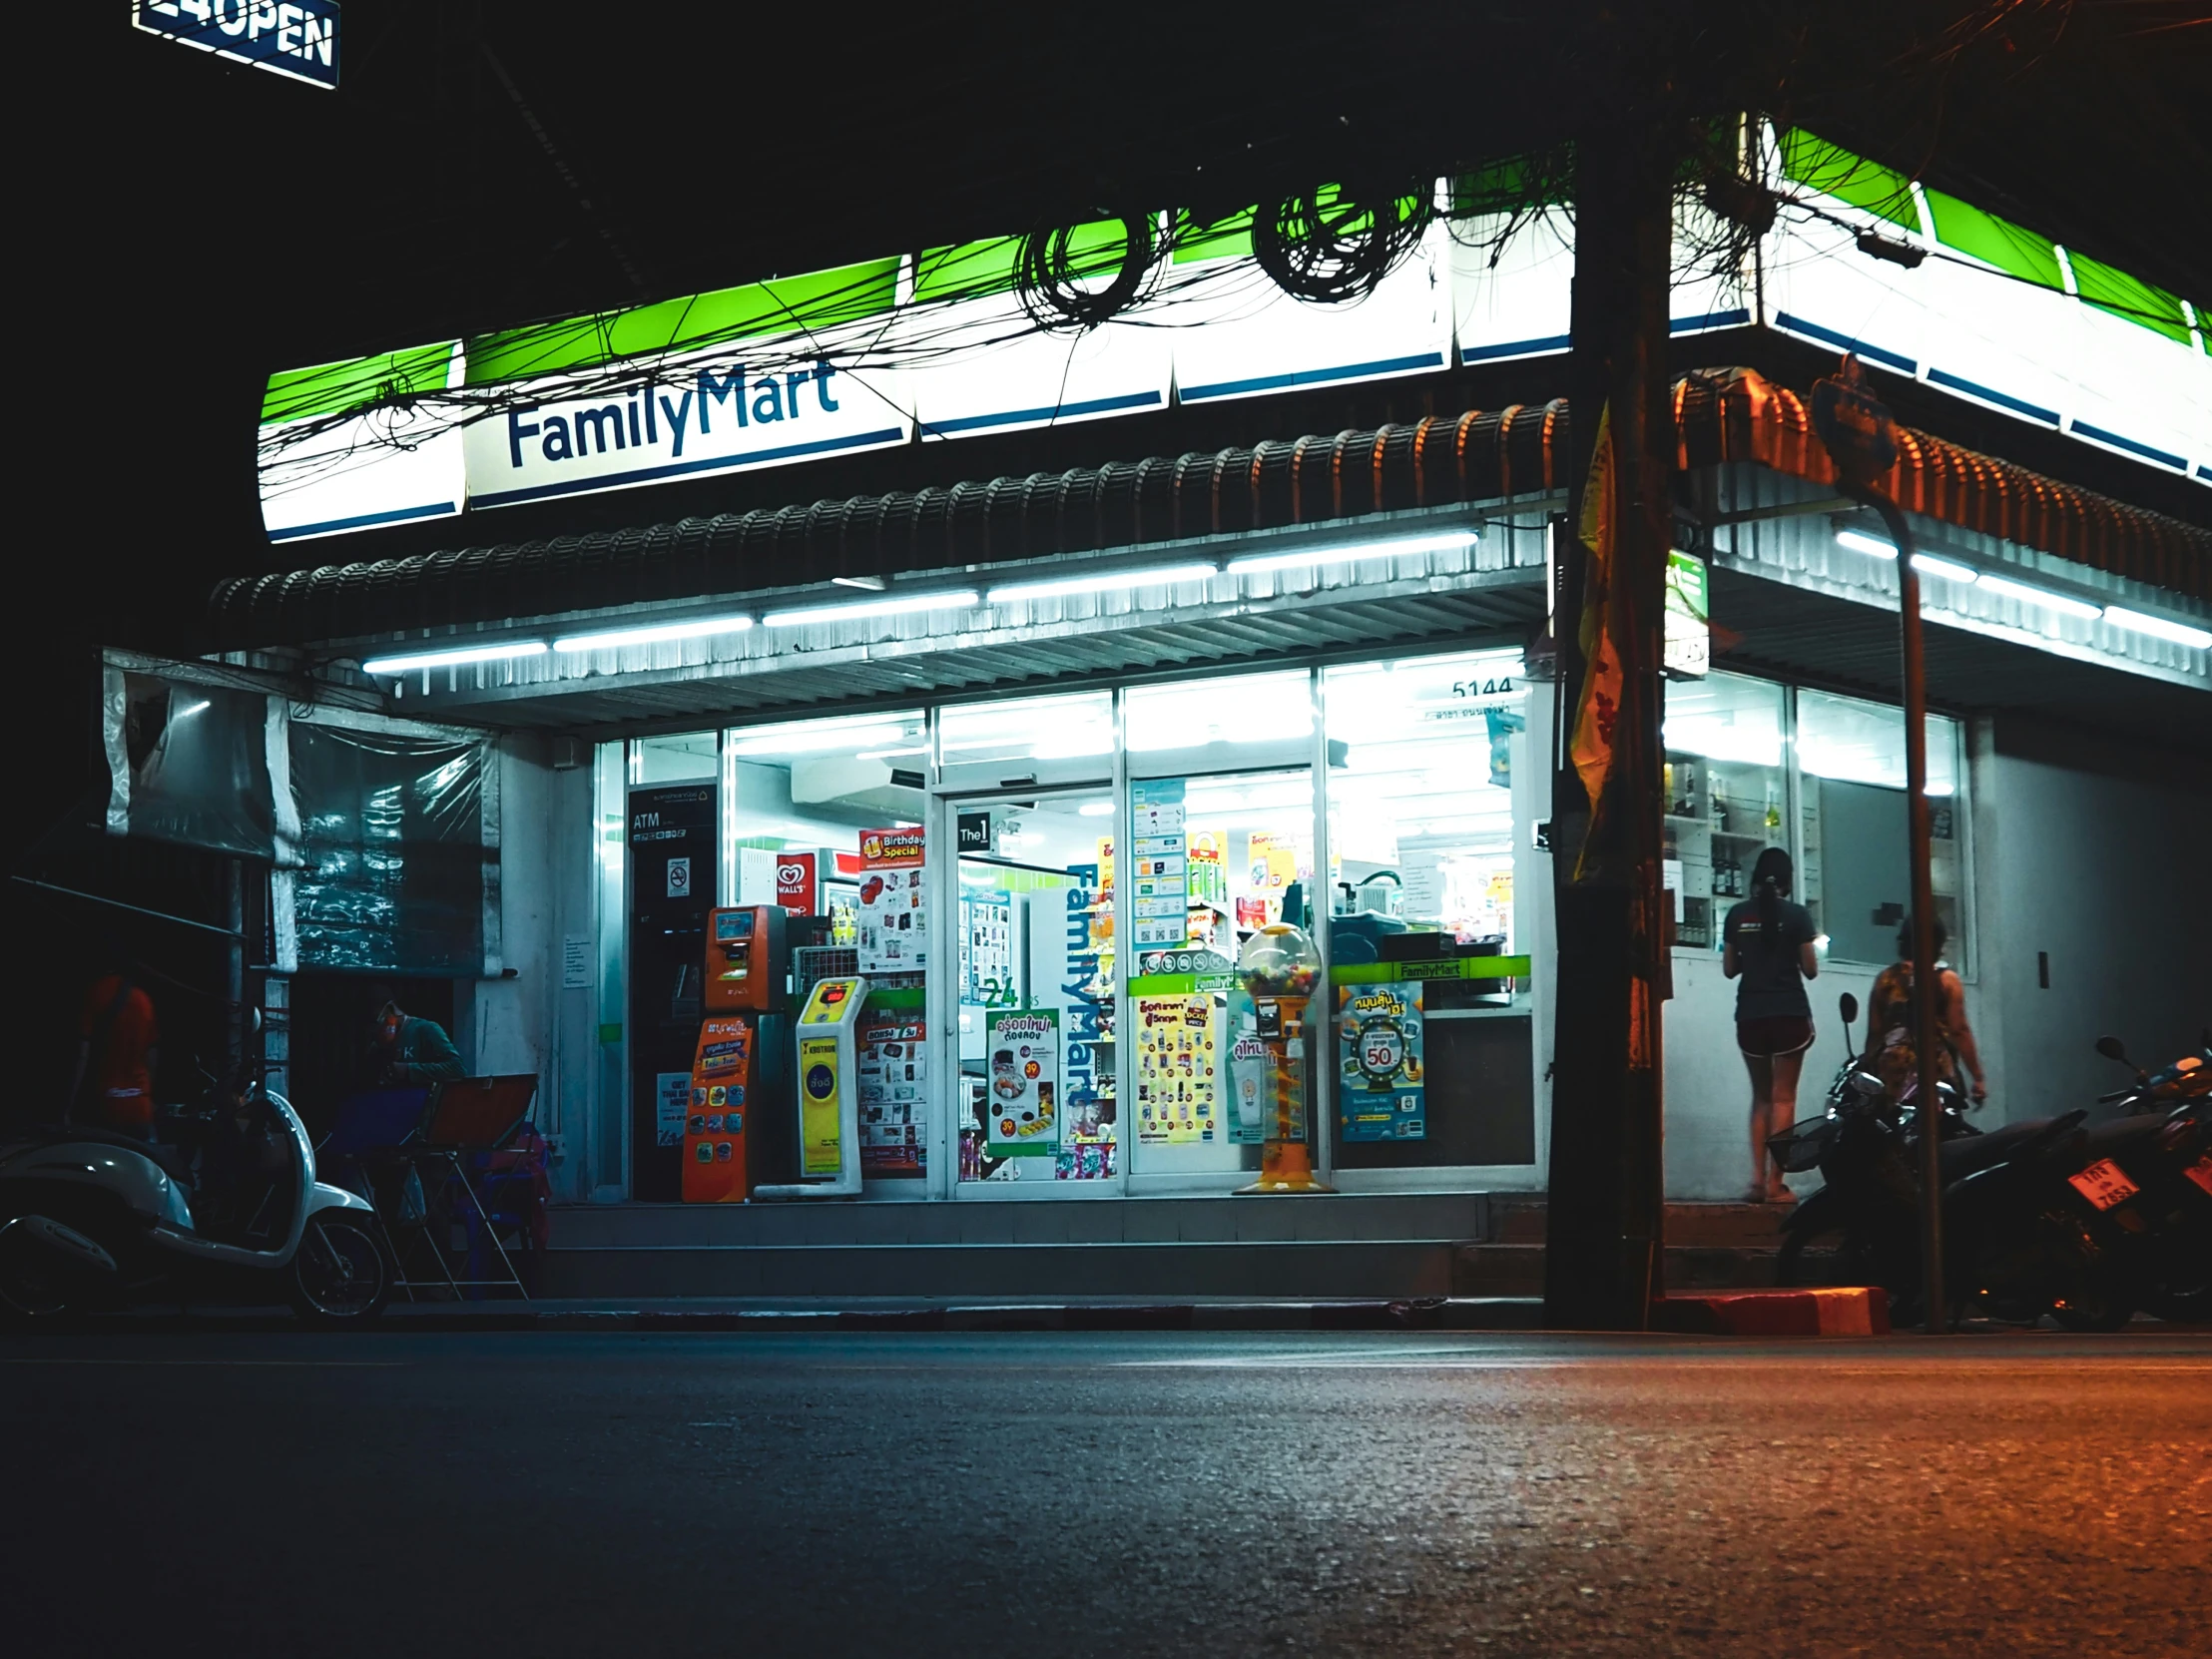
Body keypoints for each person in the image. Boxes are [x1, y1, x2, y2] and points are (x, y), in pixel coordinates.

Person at [1722, 847, 1819, 1204]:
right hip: (1789, 1014)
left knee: (1761, 1097)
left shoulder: (1736, 915)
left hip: (1750, 1014)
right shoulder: (1797, 916)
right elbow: (1810, 969)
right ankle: (1777, 1184)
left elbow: (1730, 968)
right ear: (1788, 880)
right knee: (1784, 1098)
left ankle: (1756, 1181)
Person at [1862, 913, 1986, 1109]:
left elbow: (1875, 1031)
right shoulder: (1947, 981)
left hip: (1892, 1068)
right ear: (1937, 943)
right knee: (1941, 1131)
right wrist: (1977, 1077)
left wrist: (1870, 1065)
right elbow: (1959, 1030)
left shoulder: (1885, 979)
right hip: (1934, 1068)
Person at [70, 964, 160, 1139]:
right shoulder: (144, 999)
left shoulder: (95, 993)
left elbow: (81, 1055)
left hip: (104, 1106)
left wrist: (67, 1107)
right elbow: (152, 1055)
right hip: (140, 1108)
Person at [369, 999, 467, 1088]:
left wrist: (409, 1070)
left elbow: (457, 1069)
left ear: (392, 1010)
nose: (376, 1031)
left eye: (378, 1022)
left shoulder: (426, 1029)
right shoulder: (377, 1045)